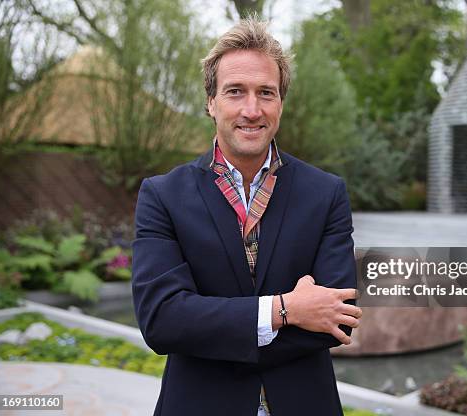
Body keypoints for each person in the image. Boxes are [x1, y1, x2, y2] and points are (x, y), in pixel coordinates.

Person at [131, 17, 361, 416]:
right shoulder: (162, 195)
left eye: (265, 93)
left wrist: (213, 331)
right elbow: (162, 320)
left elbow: (337, 318)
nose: (251, 110)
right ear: (211, 102)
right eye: (235, 92)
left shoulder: (326, 193)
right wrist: (285, 310)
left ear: (280, 103)